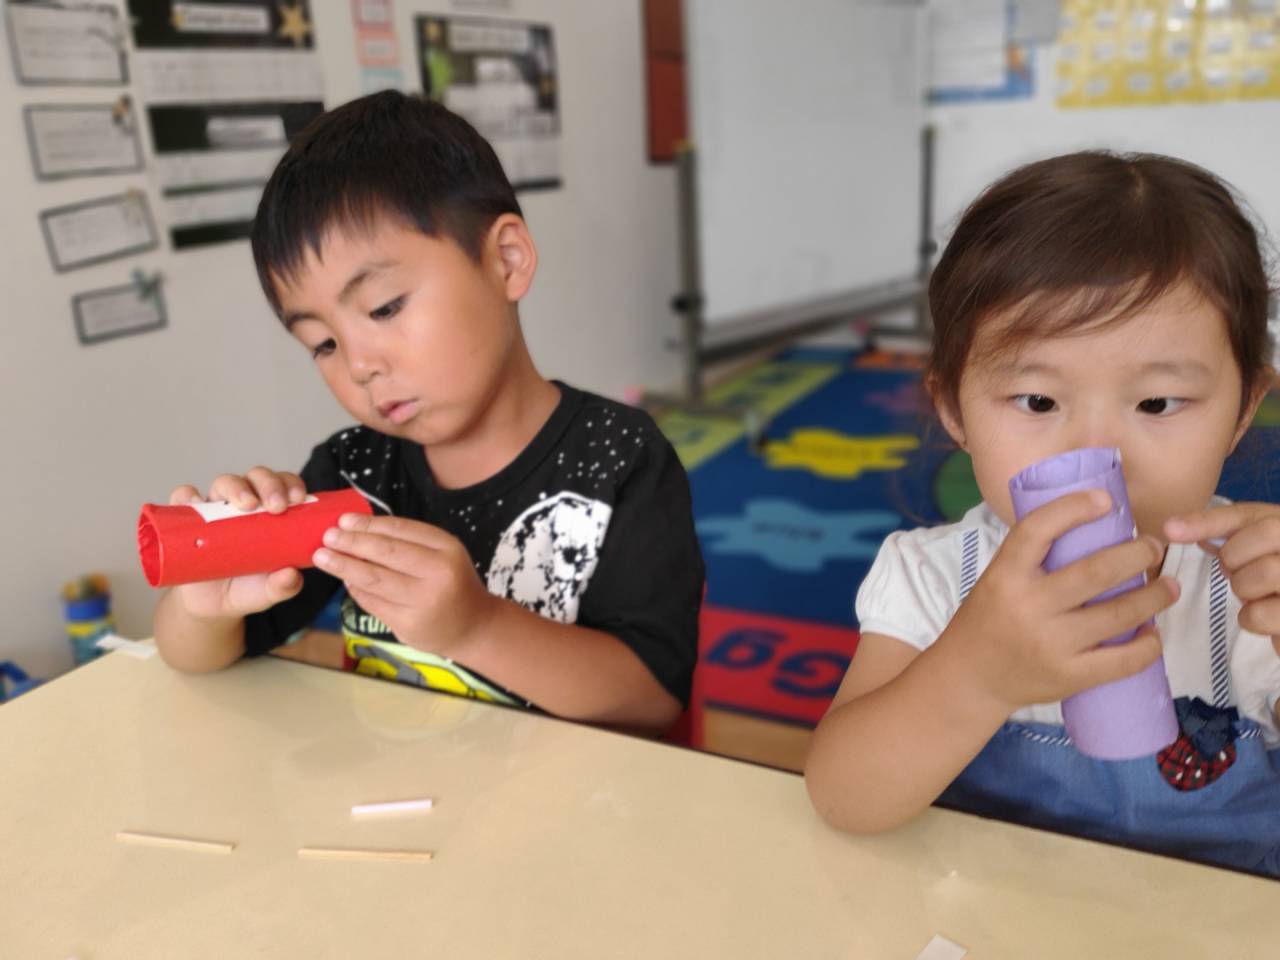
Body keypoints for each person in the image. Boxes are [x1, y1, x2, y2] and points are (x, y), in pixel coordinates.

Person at [153, 91, 704, 736]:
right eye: (322, 344)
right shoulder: (352, 470)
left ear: (506, 260)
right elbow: (194, 657)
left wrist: (477, 627)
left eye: (385, 307)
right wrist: (206, 605)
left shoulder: (618, 457)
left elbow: (651, 698)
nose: (359, 364)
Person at [805, 151, 1280, 874]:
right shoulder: (931, 578)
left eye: (1156, 403)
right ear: (954, 412)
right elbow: (845, 799)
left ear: (1244, 410)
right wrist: (976, 674)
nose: (1099, 451)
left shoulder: (1258, 585)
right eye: (1037, 401)